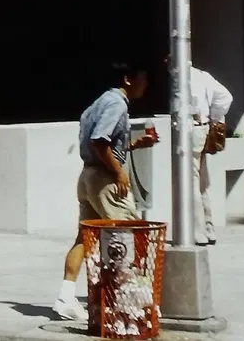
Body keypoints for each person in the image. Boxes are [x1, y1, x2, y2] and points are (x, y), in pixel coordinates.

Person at [54, 62, 160, 322]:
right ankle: (126, 303)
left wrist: (133, 145)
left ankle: (66, 297)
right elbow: (99, 140)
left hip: (88, 176)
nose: (145, 85)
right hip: (105, 180)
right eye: (142, 79)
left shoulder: (98, 103)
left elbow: (102, 144)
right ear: (128, 79)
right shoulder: (117, 104)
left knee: (84, 237)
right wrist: (119, 172)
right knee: (129, 236)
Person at [185, 61, 234, 245]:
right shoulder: (202, 75)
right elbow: (225, 97)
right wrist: (212, 118)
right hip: (204, 128)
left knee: (191, 181)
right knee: (203, 182)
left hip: (191, 130)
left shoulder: (182, 79)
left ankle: (198, 233)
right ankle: (209, 228)